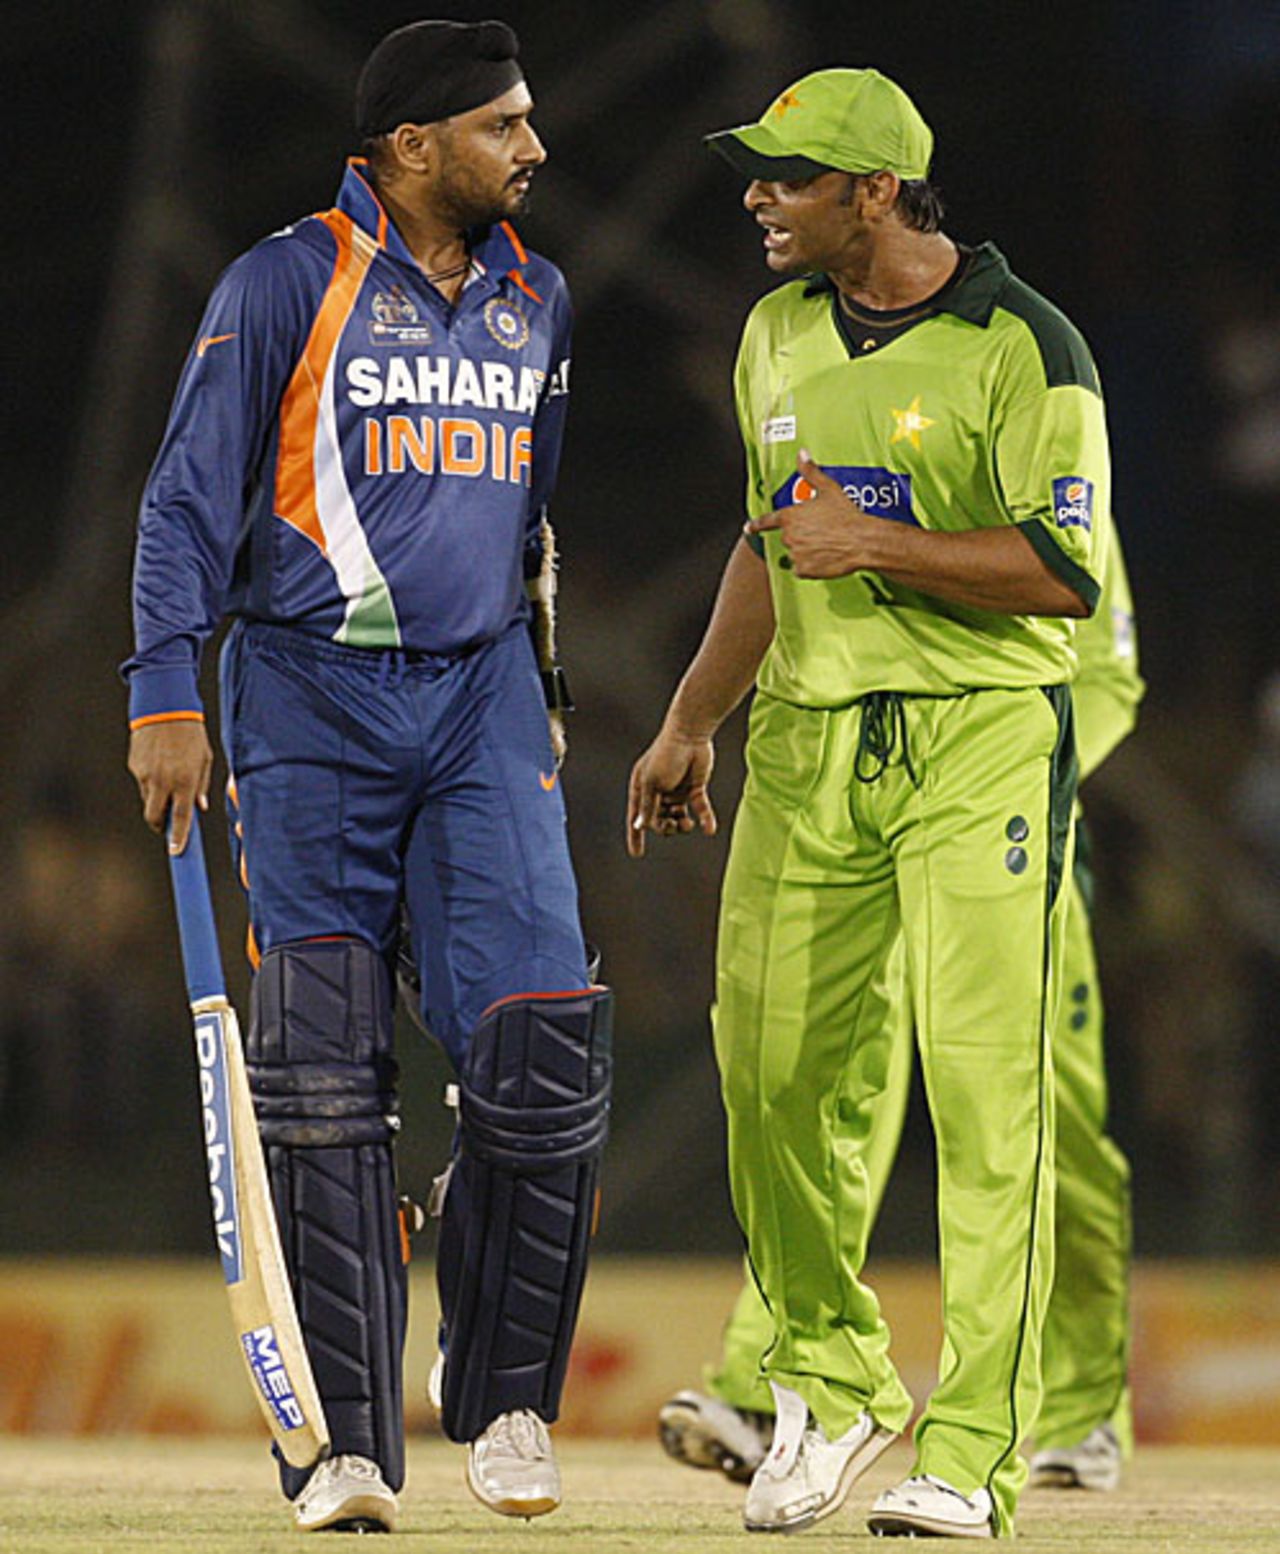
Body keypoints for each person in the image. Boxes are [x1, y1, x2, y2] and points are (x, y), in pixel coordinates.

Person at [124, 18, 612, 1534]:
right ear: (414, 147)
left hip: (477, 707)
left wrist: (540, 685)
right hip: (304, 700)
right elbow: (186, 502)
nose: (534, 149)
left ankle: (510, 1395)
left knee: (545, 1046)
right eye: (504, 126)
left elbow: (526, 519)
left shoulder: (541, 299)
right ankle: (337, 1445)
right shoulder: (282, 282)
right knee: (323, 1080)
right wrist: (163, 694)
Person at [628, 67, 1112, 1539]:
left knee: (985, 1100)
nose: (760, 198)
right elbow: (773, 541)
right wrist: (689, 718)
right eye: (757, 174)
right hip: (802, 749)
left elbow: (1064, 576)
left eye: (791, 176)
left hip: (978, 746)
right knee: (767, 1074)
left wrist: (880, 547)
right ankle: (833, 1379)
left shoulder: (1026, 346)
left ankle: (972, 1449)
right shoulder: (773, 333)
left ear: (878, 194)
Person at [657, 529, 1143, 1498]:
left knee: (1045, 1124)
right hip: (861, 810)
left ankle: (1083, 1402)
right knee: (827, 1091)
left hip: (1003, 823)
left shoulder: (1025, 469)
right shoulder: (852, 459)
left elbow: (1106, 677)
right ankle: (770, 1379)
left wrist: (1001, 773)